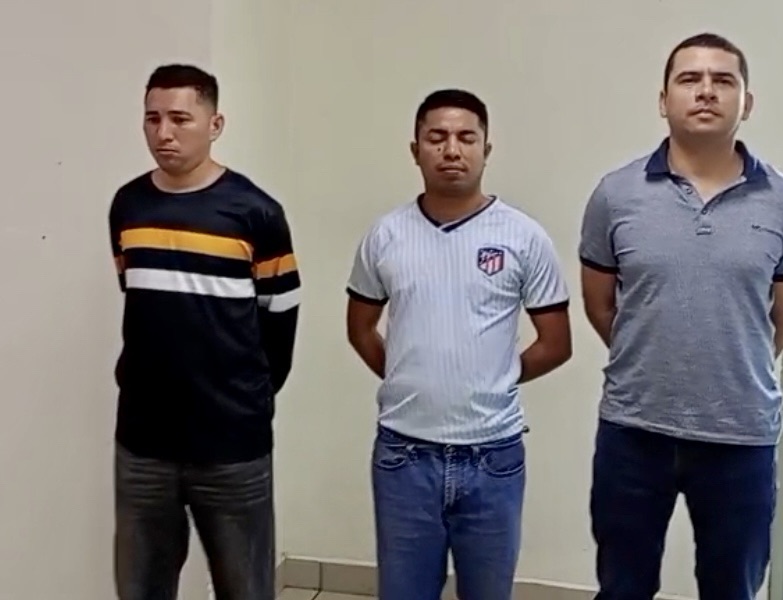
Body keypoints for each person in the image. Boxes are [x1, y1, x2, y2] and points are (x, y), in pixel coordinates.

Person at [578, 33, 783, 600]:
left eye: (722, 80)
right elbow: (601, 307)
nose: (706, 91)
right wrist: (652, 355)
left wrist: (729, 363)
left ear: (746, 103)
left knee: (731, 588)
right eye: (689, 79)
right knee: (622, 587)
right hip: (634, 431)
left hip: (741, 436)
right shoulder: (615, 195)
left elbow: (782, 322)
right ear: (664, 100)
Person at [345, 89, 573, 600]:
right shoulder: (385, 236)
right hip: (404, 456)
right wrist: (410, 376)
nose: (452, 149)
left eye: (466, 138)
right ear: (416, 150)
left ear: (486, 150)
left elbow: (556, 343)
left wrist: (490, 378)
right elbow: (360, 329)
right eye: (437, 137)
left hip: (494, 458)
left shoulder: (523, 236)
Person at [108, 64, 300, 600]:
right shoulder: (128, 206)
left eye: (179, 119)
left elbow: (279, 323)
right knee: (141, 588)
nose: (163, 133)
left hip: (232, 445)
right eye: (152, 119)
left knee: (245, 588)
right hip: (143, 443)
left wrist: (244, 400)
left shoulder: (256, 213)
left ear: (215, 125)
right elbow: (138, 297)